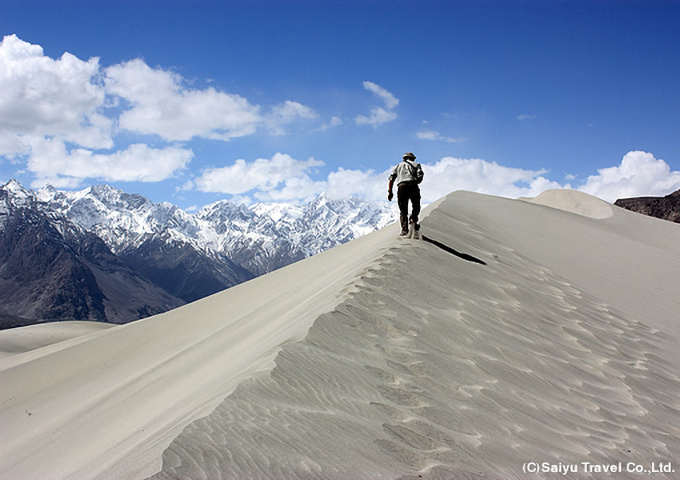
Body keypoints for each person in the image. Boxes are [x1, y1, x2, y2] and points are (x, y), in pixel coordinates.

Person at [388, 152, 424, 236]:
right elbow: (420, 176)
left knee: (403, 210)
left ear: (404, 158)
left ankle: (404, 229)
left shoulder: (398, 166)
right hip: (413, 185)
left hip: (401, 187)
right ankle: (413, 219)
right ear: (413, 158)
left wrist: (390, 191)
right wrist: (416, 181)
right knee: (416, 205)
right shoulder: (416, 164)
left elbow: (391, 178)